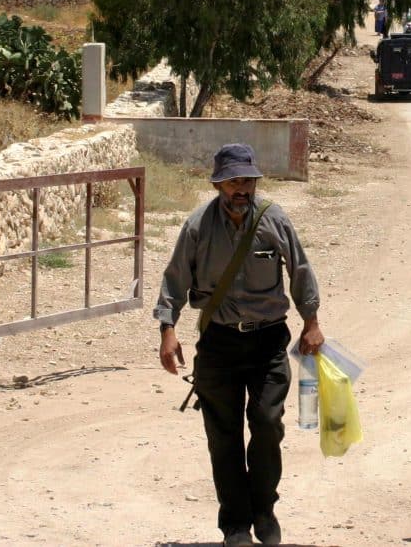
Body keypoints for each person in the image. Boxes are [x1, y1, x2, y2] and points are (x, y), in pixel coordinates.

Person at [155, 143, 324, 547]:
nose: (241, 188)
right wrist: (168, 330)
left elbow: (300, 270)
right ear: (218, 184)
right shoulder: (197, 226)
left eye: (247, 180)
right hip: (219, 342)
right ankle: (235, 524)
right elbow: (175, 279)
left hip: (268, 340)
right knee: (223, 434)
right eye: (234, 181)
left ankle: (264, 510)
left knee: (267, 424)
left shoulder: (273, 220)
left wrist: (312, 322)